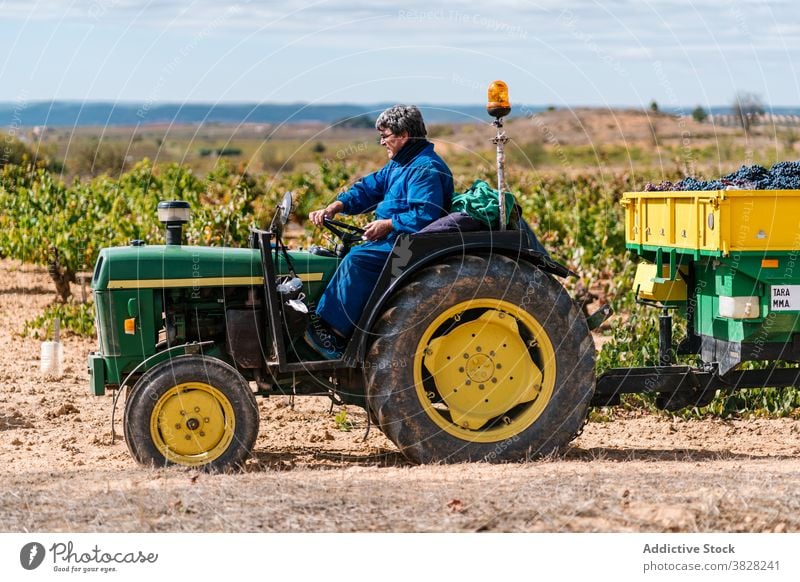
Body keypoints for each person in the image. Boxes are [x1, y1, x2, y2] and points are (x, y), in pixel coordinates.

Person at [305, 105, 454, 358]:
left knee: (358, 260)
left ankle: (334, 335)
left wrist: (388, 224)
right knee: (339, 254)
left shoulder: (424, 168)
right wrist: (338, 205)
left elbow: (424, 215)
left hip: (411, 244)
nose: (382, 142)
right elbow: (368, 188)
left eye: (384, 136)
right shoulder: (400, 164)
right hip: (398, 238)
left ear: (403, 135)